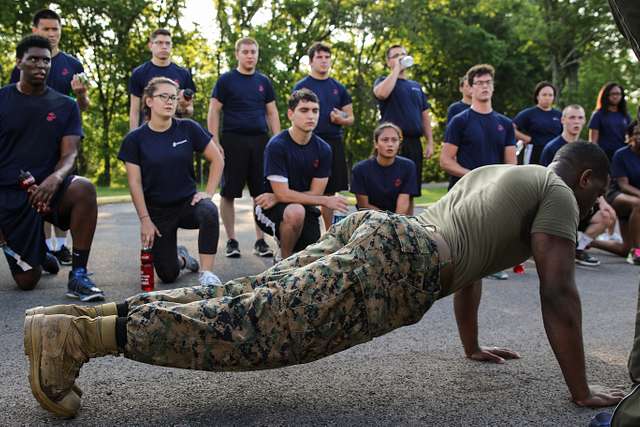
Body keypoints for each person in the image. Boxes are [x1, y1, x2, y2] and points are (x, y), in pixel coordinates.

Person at [23, 142, 625, 419]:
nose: (596, 206)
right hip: (400, 263)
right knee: (250, 329)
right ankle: (78, 342)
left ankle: (66, 325)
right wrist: (580, 391)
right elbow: (559, 292)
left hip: (376, 234)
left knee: (244, 298)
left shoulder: (502, 173)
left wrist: (469, 345)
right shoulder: (560, 197)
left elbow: (473, 262)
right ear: (592, 179)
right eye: (598, 195)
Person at [1, 35, 103, 301]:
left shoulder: (66, 105)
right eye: (33, 59)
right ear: (18, 62)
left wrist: (56, 178)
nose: (41, 65)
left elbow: (70, 154)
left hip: (49, 189)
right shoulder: (2, 99)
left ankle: (79, 275)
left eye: (46, 60)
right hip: (9, 195)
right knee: (27, 281)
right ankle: (38, 253)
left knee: (84, 189)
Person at [118, 77, 224, 286]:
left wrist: (209, 193)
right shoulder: (134, 139)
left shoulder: (188, 128)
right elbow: (135, 183)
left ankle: (207, 273)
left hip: (188, 205)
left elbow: (217, 159)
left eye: (173, 97)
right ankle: (183, 258)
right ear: (149, 101)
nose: (169, 101)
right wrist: (145, 220)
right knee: (168, 275)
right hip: (158, 212)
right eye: (163, 96)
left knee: (209, 210)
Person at [10, 9, 91, 267]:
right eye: (46, 29)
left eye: (55, 29)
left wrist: (79, 95)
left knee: (63, 185)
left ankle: (61, 246)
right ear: (35, 30)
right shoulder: (24, 63)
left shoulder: (73, 65)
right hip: (34, 140)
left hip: (65, 137)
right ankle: (44, 248)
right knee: (37, 190)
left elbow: (84, 105)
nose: (52, 34)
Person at [440, 63, 516, 280]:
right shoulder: (459, 121)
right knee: (462, 239)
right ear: (470, 88)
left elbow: (511, 163)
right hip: (466, 188)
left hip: (495, 188)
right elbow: (445, 161)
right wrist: (472, 174)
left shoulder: (505, 123)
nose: (484, 86)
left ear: (493, 87)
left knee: (491, 231)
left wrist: (499, 180)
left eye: (488, 83)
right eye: (479, 83)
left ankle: (492, 264)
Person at [207, 37, 280, 259]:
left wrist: (277, 141)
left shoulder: (263, 81)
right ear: (237, 54)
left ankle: (261, 241)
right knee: (228, 193)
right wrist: (214, 141)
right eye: (246, 51)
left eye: (253, 52)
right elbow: (214, 111)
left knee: (261, 192)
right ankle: (231, 241)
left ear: (258, 54)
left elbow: (272, 113)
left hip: (260, 142)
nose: (250, 55)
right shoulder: (226, 80)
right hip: (232, 141)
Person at [254, 89, 347, 259]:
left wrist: (279, 196)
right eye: (304, 110)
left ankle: (291, 250)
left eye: (315, 111)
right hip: (268, 207)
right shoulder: (277, 145)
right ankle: (283, 261)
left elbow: (315, 193)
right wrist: (326, 200)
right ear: (291, 114)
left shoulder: (324, 149)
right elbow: (317, 197)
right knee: (295, 212)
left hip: (300, 205)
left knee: (311, 257)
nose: (311, 116)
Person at [541, 105, 617, 267]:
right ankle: (555, 247)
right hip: (560, 204)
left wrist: (602, 202)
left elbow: (597, 181)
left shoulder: (589, 150)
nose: (576, 121)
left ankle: (577, 248)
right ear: (563, 120)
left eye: (580, 118)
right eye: (572, 117)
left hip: (584, 204)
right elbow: (544, 180)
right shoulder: (551, 148)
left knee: (607, 215)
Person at [293, 42, 354, 229]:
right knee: (304, 189)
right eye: (319, 57)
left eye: (327, 57)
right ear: (311, 61)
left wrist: (340, 119)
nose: (324, 61)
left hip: (333, 142)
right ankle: (303, 232)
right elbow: (294, 115)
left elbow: (350, 117)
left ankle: (330, 236)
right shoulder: (302, 86)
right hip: (308, 142)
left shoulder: (338, 87)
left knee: (329, 193)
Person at [373, 44, 435, 212]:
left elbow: (425, 115)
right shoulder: (382, 81)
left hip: (414, 143)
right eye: (395, 56)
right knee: (389, 188)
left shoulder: (415, 86)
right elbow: (381, 94)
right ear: (388, 62)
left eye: (403, 55)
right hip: (392, 143)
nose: (400, 58)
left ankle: (408, 229)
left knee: (410, 190)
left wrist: (430, 142)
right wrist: (396, 69)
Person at [591, 121, 640, 265]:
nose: (639, 137)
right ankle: (637, 251)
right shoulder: (621, 154)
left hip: (635, 207)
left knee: (625, 249)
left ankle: (589, 242)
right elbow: (623, 185)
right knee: (639, 204)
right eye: (636, 134)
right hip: (617, 196)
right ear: (629, 137)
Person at [128, 29, 196, 130]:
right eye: (159, 43)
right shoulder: (139, 73)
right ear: (150, 45)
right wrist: (132, 139)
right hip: (148, 132)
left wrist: (183, 107)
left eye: (168, 43)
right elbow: (134, 111)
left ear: (171, 46)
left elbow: (190, 109)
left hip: (176, 132)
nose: (164, 46)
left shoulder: (183, 73)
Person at [350, 122, 418, 214]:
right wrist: (387, 221)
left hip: (400, 220)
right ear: (376, 144)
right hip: (370, 220)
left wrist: (395, 223)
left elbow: (404, 202)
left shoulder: (408, 166)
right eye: (385, 140)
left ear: (399, 144)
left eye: (394, 140)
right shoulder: (360, 169)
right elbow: (364, 206)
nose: (390, 144)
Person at [513, 81, 562, 165]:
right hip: (534, 152)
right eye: (544, 95)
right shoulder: (528, 113)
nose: (547, 98)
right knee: (532, 176)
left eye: (550, 95)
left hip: (555, 152)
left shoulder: (559, 115)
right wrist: (525, 138)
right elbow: (510, 128)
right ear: (537, 96)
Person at [588, 82, 631, 161]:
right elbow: (593, 141)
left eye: (618, 94)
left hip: (622, 157)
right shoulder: (598, 115)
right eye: (613, 94)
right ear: (606, 95)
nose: (615, 96)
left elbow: (630, 137)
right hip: (604, 157)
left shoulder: (625, 115)